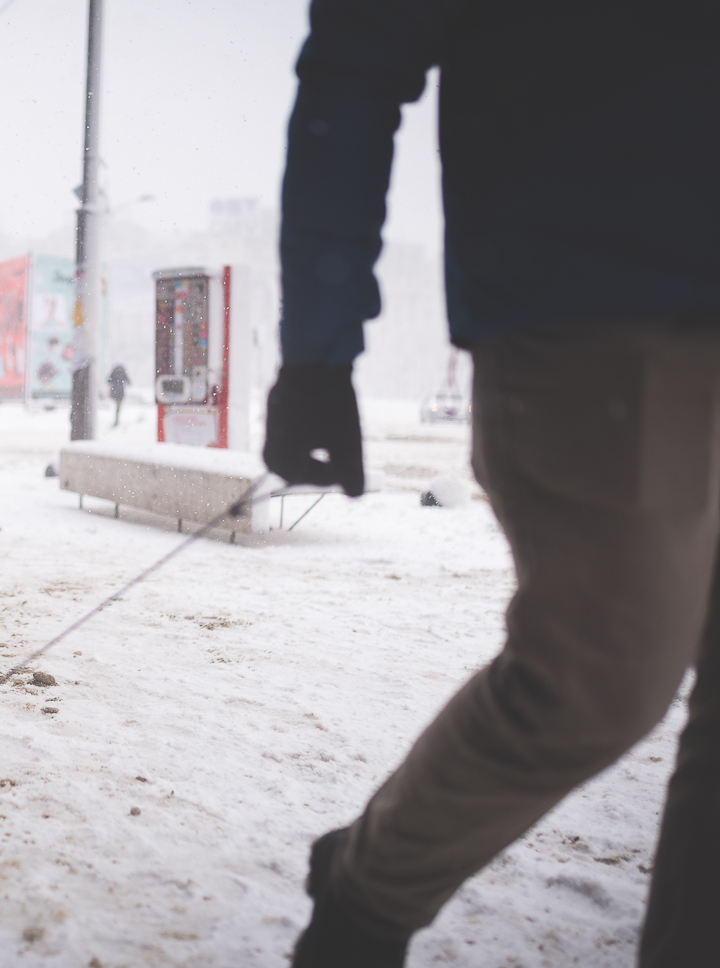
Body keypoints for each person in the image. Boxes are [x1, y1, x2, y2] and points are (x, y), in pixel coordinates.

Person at [265, 3, 720, 966]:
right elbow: (355, 62)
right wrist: (317, 350)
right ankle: (364, 899)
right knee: (597, 680)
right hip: (595, 298)